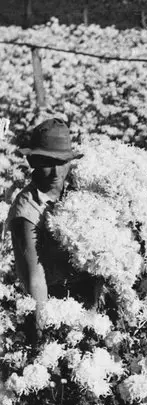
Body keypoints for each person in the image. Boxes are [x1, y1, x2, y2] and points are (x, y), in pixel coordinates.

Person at [4, 118, 101, 343]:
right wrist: (42, 337)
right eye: (48, 162)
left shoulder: (78, 192)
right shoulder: (27, 209)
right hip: (53, 304)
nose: (56, 172)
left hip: (89, 296)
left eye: (62, 162)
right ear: (34, 162)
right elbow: (35, 279)